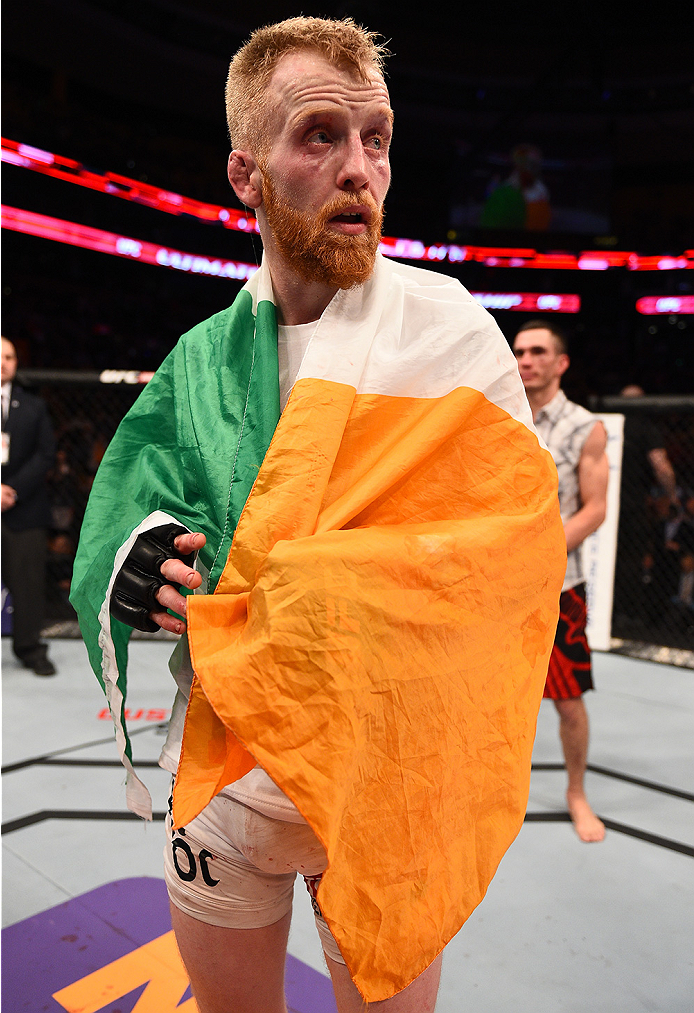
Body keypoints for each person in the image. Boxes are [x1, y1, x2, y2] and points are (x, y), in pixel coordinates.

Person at [71, 18, 566, 1012]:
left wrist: (296, 595)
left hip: (385, 781)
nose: (358, 168)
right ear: (245, 174)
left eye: (375, 137)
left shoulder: (453, 336)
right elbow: (127, 514)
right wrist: (137, 562)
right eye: (319, 136)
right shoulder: (200, 358)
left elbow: (506, 563)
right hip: (221, 776)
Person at [513, 319, 608, 843]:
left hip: (559, 585)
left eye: (537, 351)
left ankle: (576, 792)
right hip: (495, 586)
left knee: (568, 699)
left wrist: (539, 549)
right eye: (519, 351)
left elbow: (594, 510)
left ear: (560, 362)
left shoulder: (582, 426)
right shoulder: (497, 414)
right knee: (483, 693)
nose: (525, 359)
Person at [1, 336, 56, 676]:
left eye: (9, 356)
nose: (4, 362)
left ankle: (30, 648)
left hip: (23, 509)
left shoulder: (34, 406)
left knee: (28, 584)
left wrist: (12, 490)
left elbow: (45, 454)